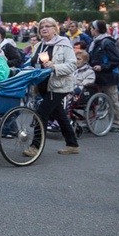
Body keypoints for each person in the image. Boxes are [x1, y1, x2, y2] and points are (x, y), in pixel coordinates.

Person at [24, 17, 79, 156]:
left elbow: (72, 65)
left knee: (41, 113)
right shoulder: (38, 46)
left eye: (48, 26)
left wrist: (55, 67)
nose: (44, 29)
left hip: (58, 85)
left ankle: (35, 147)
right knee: (59, 114)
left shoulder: (64, 44)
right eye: (41, 26)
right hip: (42, 85)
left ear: (55, 28)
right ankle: (72, 144)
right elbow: (32, 62)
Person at [88, 19, 119, 132]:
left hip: (108, 76)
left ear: (96, 30)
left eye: (92, 28)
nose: (90, 30)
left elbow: (116, 59)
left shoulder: (107, 42)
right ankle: (91, 120)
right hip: (96, 76)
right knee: (93, 99)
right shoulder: (94, 42)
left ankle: (116, 123)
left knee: (112, 100)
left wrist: (103, 67)